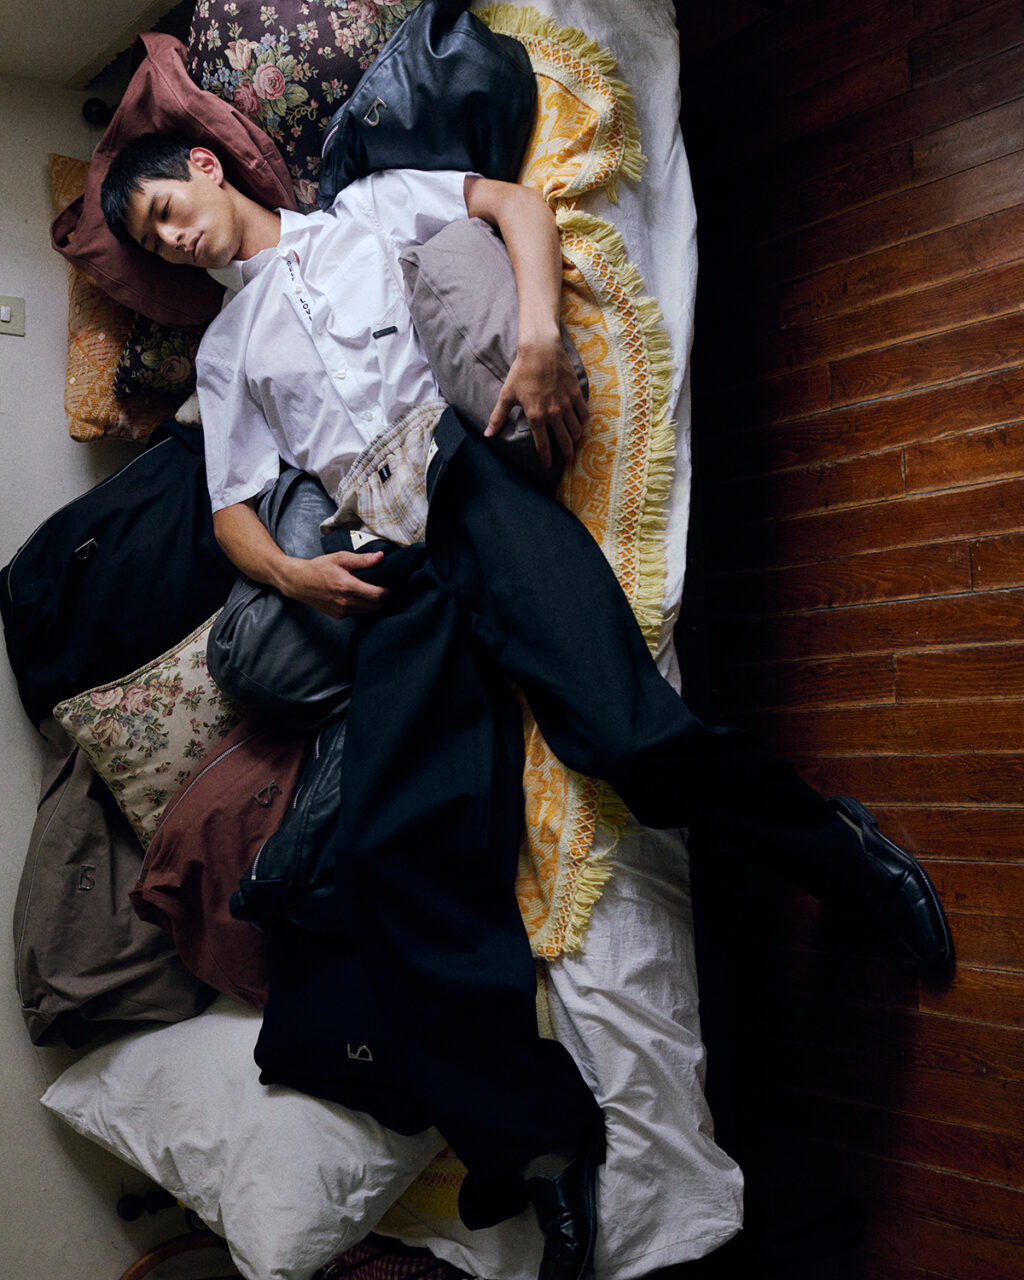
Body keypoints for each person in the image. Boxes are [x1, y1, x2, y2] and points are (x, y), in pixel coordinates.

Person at [102, 134, 953, 1280]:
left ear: (208, 166)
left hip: (466, 482)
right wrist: (294, 574)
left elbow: (513, 204)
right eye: (151, 238)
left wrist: (541, 334)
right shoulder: (225, 347)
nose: (172, 237)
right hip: (381, 565)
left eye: (165, 207)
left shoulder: (365, 210)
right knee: (390, 856)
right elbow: (231, 512)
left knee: (623, 736)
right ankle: (542, 1145)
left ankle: (839, 850)